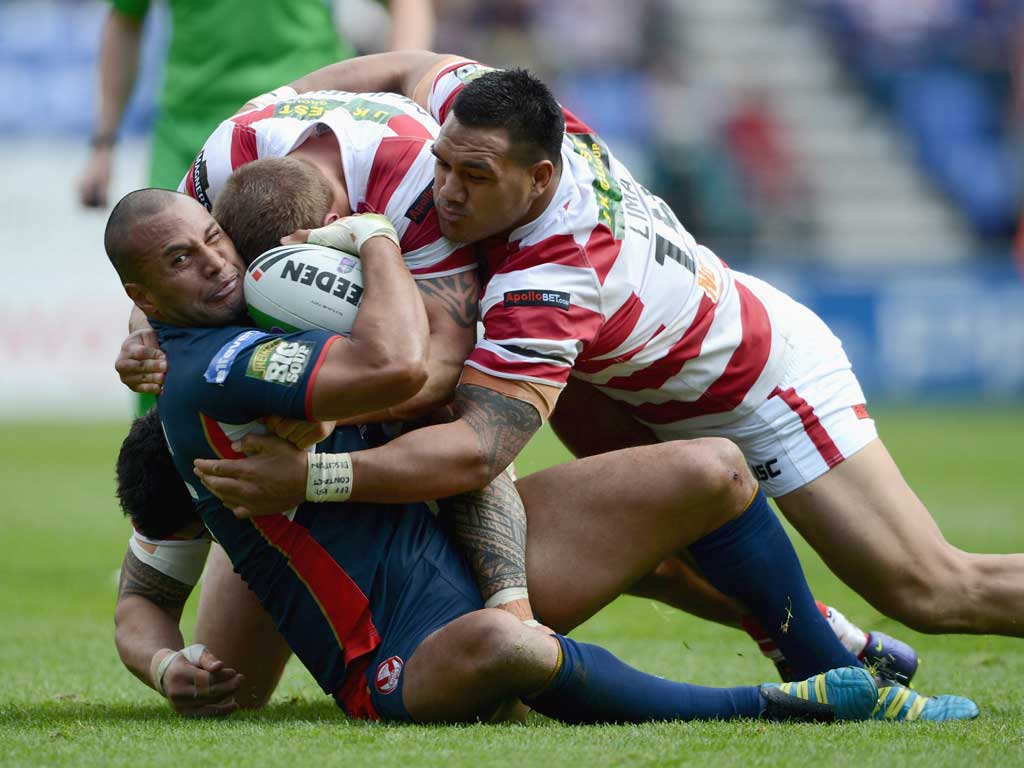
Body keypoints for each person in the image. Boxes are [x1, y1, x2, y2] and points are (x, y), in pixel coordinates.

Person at [191, 51, 1024, 646]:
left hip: (756, 380)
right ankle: (823, 637)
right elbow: (404, 66)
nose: (445, 191)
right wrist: (286, 100)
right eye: (443, 164)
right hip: (624, 385)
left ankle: (832, 630)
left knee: (932, 589)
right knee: (636, 554)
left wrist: (314, 471)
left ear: (541, 180)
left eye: (474, 178)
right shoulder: (493, 112)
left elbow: (480, 444)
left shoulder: (555, 266)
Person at [104, 186, 893, 725]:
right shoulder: (211, 374)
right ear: (143, 296)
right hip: (396, 650)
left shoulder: (323, 301)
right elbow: (142, 588)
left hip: (474, 558)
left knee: (712, 467)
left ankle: (827, 658)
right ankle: (767, 706)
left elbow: (471, 450)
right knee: (504, 643)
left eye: (212, 242)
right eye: (180, 259)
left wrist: (320, 469)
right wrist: (167, 665)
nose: (213, 264)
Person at [79, 0, 434, 416]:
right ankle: (171, 465)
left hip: (310, 137)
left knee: (341, 309)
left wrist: (391, 104)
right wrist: (103, 141)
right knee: (168, 322)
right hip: (194, 139)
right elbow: (125, 20)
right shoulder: (208, 159)